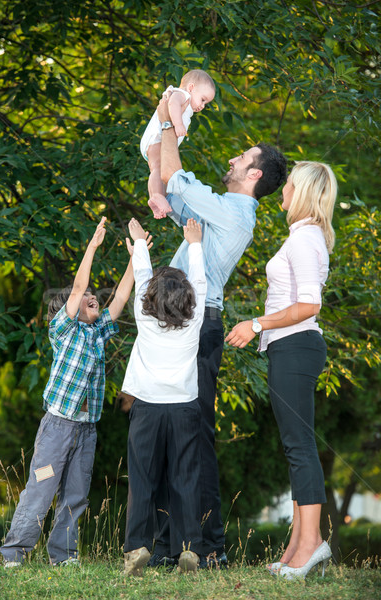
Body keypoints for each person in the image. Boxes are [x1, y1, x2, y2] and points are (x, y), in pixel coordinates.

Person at [147, 96, 288, 569]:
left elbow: (175, 177)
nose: (232, 158)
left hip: (200, 324)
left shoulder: (234, 214)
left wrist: (170, 117)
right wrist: (169, 125)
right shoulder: (220, 207)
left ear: (253, 175)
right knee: (170, 427)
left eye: (241, 157)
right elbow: (171, 181)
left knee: (196, 433)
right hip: (178, 321)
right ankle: (170, 546)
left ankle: (209, 546)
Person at [0, 217, 136, 568]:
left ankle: (64, 556)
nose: (93, 296)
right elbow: (77, 288)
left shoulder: (98, 333)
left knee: (75, 495)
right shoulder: (64, 331)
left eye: (93, 296)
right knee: (41, 489)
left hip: (86, 431)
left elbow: (121, 295)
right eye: (87, 296)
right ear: (67, 311)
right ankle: (14, 554)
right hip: (57, 429)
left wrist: (138, 258)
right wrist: (92, 246)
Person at [226, 161, 337, 580]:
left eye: (288, 185)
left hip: (295, 346)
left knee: (300, 447)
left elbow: (310, 306)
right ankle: (296, 547)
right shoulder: (302, 236)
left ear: (302, 192)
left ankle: (310, 545)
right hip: (288, 349)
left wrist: (256, 323)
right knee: (296, 447)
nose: (283, 191)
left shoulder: (306, 238)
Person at [122, 217, 207, 576]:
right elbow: (201, 282)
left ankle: (137, 549)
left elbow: (142, 275)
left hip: (148, 409)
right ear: (187, 297)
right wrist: (195, 243)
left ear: (150, 298)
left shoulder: (144, 318)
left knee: (142, 478)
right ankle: (189, 549)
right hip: (185, 407)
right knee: (184, 477)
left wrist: (139, 242)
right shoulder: (196, 316)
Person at [140, 69, 215, 219]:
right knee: (157, 167)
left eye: (206, 103)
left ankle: (156, 198)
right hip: (156, 139)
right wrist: (178, 124)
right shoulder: (182, 95)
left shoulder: (187, 100)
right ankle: (156, 195)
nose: (203, 106)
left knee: (157, 169)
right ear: (191, 88)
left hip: (156, 141)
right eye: (203, 99)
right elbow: (173, 104)